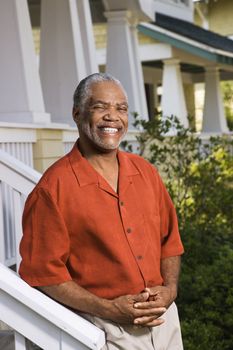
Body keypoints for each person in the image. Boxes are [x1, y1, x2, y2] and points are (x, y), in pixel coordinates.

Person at [19, 73, 184, 350]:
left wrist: (170, 290)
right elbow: (43, 276)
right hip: (105, 331)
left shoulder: (146, 173)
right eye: (100, 107)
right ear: (77, 113)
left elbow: (170, 242)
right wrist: (108, 309)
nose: (112, 117)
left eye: (120, 108)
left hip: (165, 321)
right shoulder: (52, 189)